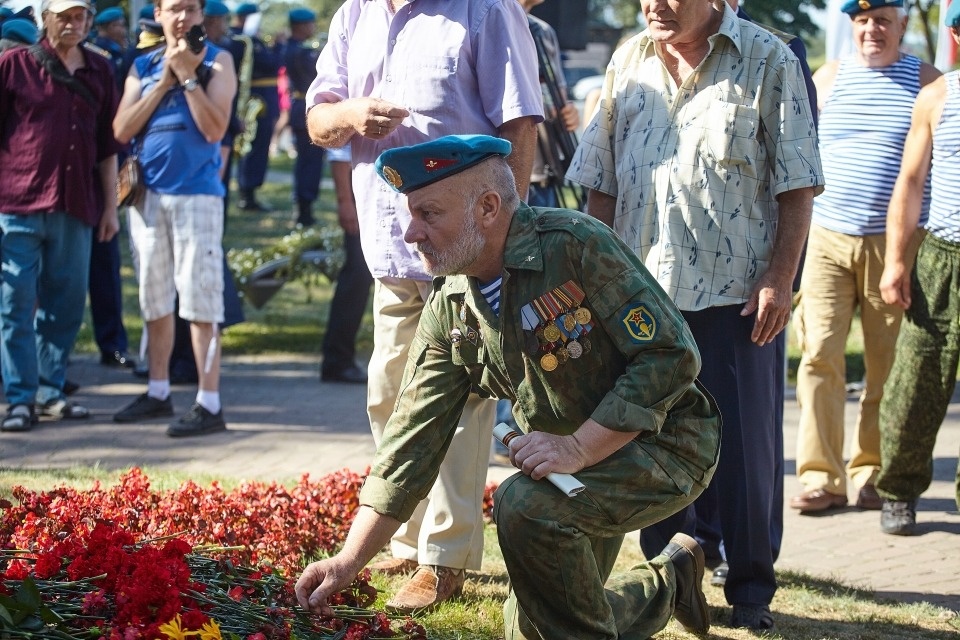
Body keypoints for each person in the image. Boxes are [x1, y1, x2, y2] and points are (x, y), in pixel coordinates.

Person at [295, 133, 722, 640]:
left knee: (523, 507)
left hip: (664, 447)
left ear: (488, 207)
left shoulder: (575, 246)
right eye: (412, 215)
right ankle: (669, 581)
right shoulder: (451, 304)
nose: (412, 234)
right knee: (530, 628)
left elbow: (671, 356)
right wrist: (348, 561)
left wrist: (579, 447)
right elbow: (410, 441)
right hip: (568, 467)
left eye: (429, 214)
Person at [566, 0, 823, 630]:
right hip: (640, 297)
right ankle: (670, 575)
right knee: (648, 437)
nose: (655, 4)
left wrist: (780, 278)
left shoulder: (769, 60)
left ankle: (752, 588)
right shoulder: (626, 60)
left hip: (736, 296)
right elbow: (600, 184)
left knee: (743, 450)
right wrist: (594, 287)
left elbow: (797, 184)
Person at [304, 0, 542, 611]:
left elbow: (519, 128)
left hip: (464, 251)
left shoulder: (486, 11)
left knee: (459, 405)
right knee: (389, 394)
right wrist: (352, 115)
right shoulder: (354, 14)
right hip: (391, 249)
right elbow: (316, 119)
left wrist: (502, 239)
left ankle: (444, 557)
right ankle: (405, 538)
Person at [790, 0, 940, 516]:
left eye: (881, 20)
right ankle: (820, 478)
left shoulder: (928, 81)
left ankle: (872, 472)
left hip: (894, 243)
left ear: (901, 24)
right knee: (818, 356)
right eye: (861, 20)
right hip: (827, 237)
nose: (871, 30)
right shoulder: (827, 77)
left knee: (886, 366)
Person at [111, 0, 238, 437]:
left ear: (201, 15)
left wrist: (186, 76)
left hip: (197, 197)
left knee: (202, 300)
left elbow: (215, 128)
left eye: (190, 9)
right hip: (147, 199)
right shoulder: (141, 64)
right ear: (159, 15)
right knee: (154, 296)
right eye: (173, 9)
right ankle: (159, 389)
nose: (181, 18)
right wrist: (162, 81)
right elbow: (122, 129)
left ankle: (209, 401)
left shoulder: (219, 61)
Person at [0, 0, 120, 431]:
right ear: (45, 19)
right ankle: (19, 399)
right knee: (14, 304)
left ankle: (51, 392)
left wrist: (111, 208)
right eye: (65, 16)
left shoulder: (101, 70)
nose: (74, 24)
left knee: (65, 305)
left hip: (76, 205)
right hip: (16, 205)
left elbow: (108, 148)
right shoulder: (13, 65)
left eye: (81, 16)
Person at [875, 0, 960, 537]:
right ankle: (898, 493)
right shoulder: (938, 96)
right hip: (942, 257)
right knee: (915, 381)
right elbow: (910, 182)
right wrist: (896, 260)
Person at [320, 144, 373, 384]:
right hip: (362, 191)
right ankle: (337, 360)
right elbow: (339, 152)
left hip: (378, 188)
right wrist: (345, 201)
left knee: (359, 276)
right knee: (357, 274)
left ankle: (338, 359)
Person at [231, 2, 280, 212]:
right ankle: (246, 193)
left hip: (264, 99)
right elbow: (271, 63)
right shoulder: (242, 39)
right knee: (252, 146)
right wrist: (278, 46)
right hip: (253, 98)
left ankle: (251, 191)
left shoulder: (252, 39)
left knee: (259, 147)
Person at [283, 7, 323, 227]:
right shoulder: (298, 51)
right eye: (310, 24)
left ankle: (305, 206)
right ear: (300, 26)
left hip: (301, 106)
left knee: (309, 162)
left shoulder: (296, 48)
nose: (313, 28)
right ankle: (303, 209)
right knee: (308, 162)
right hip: (304, 108)